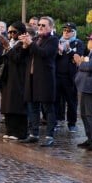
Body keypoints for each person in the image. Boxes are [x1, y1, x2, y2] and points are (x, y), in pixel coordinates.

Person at [19, 16, 58, 146]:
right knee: (32, 107)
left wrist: (31, 44)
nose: (40, 27)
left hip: (45, 79)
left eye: (43, 25)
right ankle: (33, 134)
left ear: (51, 27)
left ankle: (49, 136)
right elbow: (24, 56)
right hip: (31, 78)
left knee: (48, 108)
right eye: (39, 25)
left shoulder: (53, 40)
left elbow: (44, 54)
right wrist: (24, 45)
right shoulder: (35, 39)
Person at [0, 21, 28, 140]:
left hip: (19, 78)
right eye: (9, 32)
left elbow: (17, 59)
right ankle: (10, 130)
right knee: (8, 103)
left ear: (21, 32)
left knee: (17, 104)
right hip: (8, 77)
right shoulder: (10, 43)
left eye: (14, 32)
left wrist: (8, 47)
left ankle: (19, 132)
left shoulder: (23, 44)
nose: (11, 34)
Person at [55, 22, 84, 133]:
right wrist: (58, 51)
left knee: (71, 101)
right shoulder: (58, 42)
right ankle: (57, 120)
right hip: (58, 75)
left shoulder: (78, 43)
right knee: (56, 100)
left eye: (69, 31)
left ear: (74, 32)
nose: (66, 33)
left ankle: (72, 123)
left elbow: (78, 57)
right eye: (64, 30)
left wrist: (68, 50)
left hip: (70, 77)